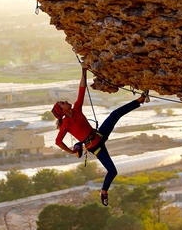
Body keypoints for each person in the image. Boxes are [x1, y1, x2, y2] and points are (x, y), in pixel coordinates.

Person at [51, 67, 149, 206]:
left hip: (99, 135)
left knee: (115, 114)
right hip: (95, 146)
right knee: (113, 171)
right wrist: (71, 151)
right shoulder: (66, 124)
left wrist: (84, 71)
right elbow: (57, 141)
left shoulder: (77, 108)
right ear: (62, 111)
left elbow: (82, 89)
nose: (66, 101)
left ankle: (140, 100)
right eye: (62, 103)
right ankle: (104, 191)